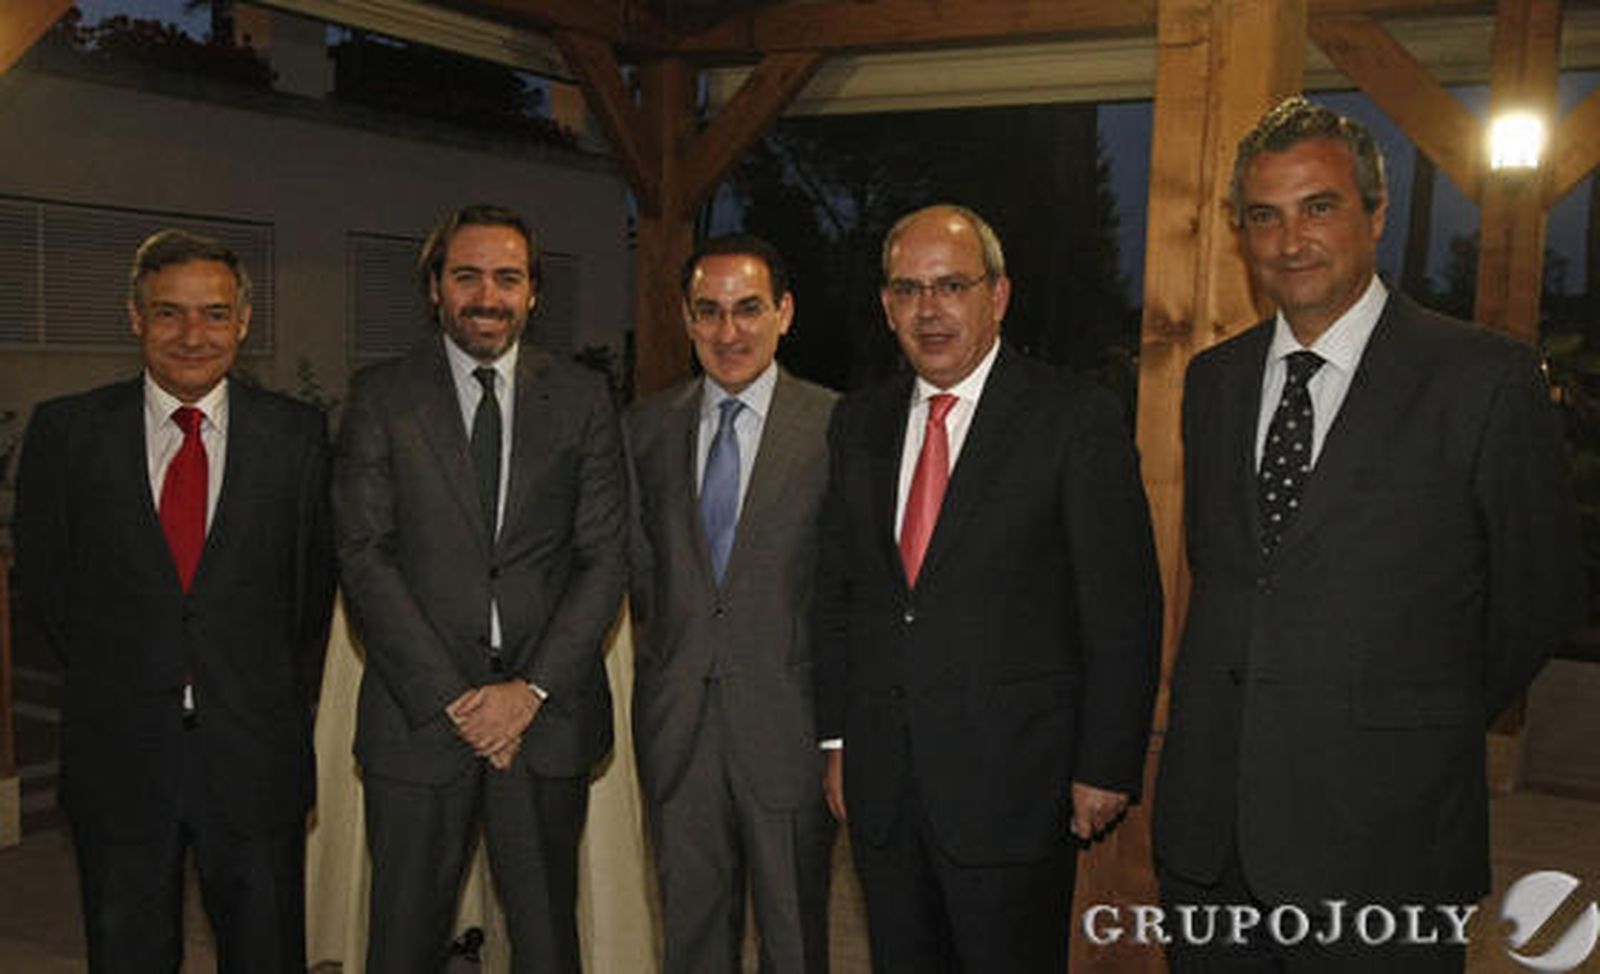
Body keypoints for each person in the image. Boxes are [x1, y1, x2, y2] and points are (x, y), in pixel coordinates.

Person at [1153, 96, 1586, 971]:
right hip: (1214, 842)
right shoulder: (1214, 383)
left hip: (1389, 842)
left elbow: (1539, 597)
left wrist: (1410, 718)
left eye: (1320, 207)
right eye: (1265, 217)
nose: (1290, 241)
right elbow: (1235, 578)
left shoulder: (1482, 379)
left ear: (1376, 216)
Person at [813, 203, 1163, 971]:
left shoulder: (1074, 420)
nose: (928, 310)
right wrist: (838, 740)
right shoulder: (858, 424)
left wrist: (1105, 763)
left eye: (951, 286)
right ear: (885, 306)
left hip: (1015, 788)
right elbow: (839, 598)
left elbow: (1123, 608)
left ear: (997, 296)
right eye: (907, 289)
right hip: (885, 783)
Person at [14, 229, 335, 971]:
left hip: (254, 762)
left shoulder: (297, 437)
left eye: (215, 314)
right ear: (134, 317)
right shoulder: (67, 435)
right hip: (121, 757)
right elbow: (47, 590)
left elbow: (309, 594)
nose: (194, 335)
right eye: (169, 313)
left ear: (244, 323)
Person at [333, 203, 626, 973]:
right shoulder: (380, 397)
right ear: (435, 287)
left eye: (507, 277)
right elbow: (364, 555)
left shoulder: (585, 397)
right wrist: (458, 700)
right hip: (418, 718)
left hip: (544, 720)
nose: (486, 296)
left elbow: (604, 557)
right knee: (400, 943)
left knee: (545, 942)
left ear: (534, 293)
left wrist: (526, 693)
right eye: (466, 276)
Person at [625, 235, 838, 974]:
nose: (728, 332)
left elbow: (849, 595)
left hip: (790, 727)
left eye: (748, 309)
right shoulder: (645, 429)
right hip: (678, 727)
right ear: (685, 319)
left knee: (796, 940)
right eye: (708, 312)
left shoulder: (838, 428)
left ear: (785, 313)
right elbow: (643, 573)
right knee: (690, 939)